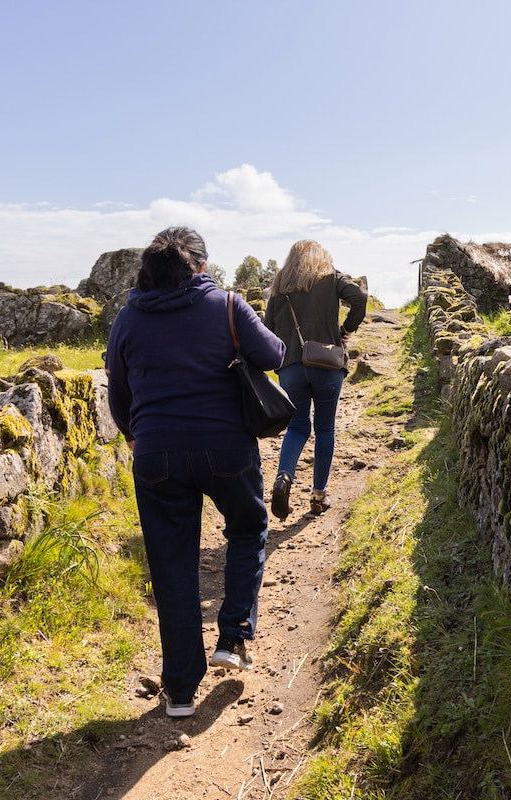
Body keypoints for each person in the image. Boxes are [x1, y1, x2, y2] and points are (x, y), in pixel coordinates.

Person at [105, 226, 285, 718]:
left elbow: (117, 392)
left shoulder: (127, 318)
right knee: (249, 530)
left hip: (157, 453)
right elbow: (274, 356)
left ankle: (180, 690)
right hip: (227, 447)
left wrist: (135, 435)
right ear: (200, 265)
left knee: (172, 565)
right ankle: (232, 636)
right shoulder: (227, 305)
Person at [263, 240, 367, 519]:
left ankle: (283, 477)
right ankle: (319, 495)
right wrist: (346, 329)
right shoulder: (332, 278)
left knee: (296, 427)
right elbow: (359, 297)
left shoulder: (280, 286)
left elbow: (266, 329)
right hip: (327, 365)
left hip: (290, 368)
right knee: (325, 429)